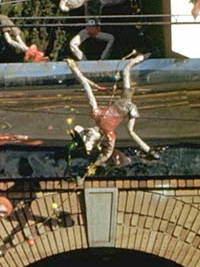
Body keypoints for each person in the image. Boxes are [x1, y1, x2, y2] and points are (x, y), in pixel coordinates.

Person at [65, 51, 158, 182]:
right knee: (130, 130)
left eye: (87, 134)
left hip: (125, 101)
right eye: (89, 137)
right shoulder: (108, 134)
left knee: (127, 69)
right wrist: (93, 166)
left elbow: (88, 89)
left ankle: (148, 55)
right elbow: (106, 155)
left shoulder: (97, 114)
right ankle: (149, 150)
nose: (90, 133)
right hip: (128, 106)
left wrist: (74, 68)